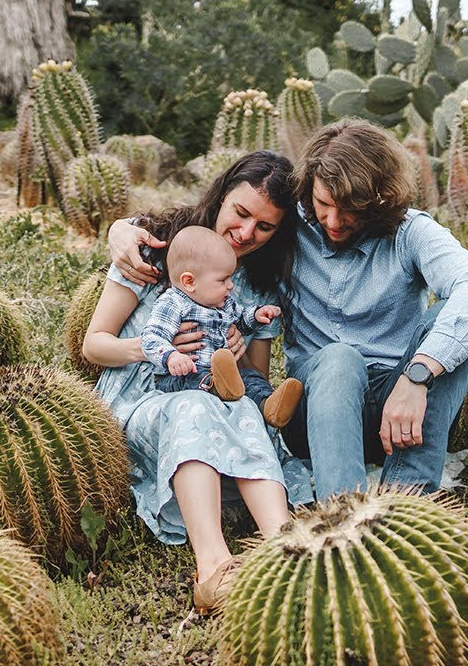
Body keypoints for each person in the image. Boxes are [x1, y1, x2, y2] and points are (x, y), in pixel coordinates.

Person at [109, 119, 468, 500]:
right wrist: (122, 229)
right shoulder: (290, 226)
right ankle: (343, 511)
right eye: (323, 203)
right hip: (314, 408)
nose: (333, 220)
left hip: (397, 403)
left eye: (351, 209)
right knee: (339, 357)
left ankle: (408, 499)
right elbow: (217, 223)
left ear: (379, 198)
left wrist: (417, 377)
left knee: (451, 325)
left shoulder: (410, 233)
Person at [82, 151, 311, 614]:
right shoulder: (156, 248)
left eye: (264, 226)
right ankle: (213, 567)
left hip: (213, 397)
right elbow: (94, 344)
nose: (246, 233)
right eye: (241, 212)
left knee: (240, 407)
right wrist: (157, 350)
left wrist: (238, 357)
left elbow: (249, 380)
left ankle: (286, 549)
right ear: (222, 195)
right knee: (194, 407)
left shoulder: (258, 285)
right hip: (142, 398)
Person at [140, 225, 304, 428]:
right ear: (189, 281)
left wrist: (256, 315)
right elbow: (151, 337)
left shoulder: (223, 304)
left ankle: (269, 406)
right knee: (199, 377)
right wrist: (171, 356)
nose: (230, 285)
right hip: (182, 376)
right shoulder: (173, 303)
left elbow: (240, 320)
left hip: (224, 374)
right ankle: (220, 388)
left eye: (231, 278)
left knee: (250, 377)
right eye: (223, 279)